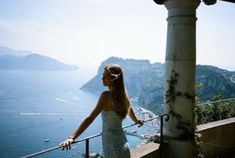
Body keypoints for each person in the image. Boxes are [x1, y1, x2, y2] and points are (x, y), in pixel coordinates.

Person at [59, 64, 143, 158]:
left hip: (112, 146)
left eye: (104, 76)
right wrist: (137, 121)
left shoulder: (106, 96)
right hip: (124, 145)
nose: (102, 78)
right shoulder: (124, 97)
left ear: (113, 78)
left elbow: (90, 118)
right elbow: (130, 111)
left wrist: (72, 137)